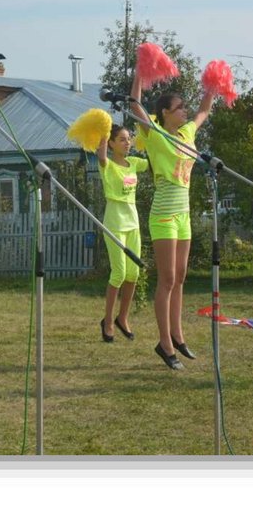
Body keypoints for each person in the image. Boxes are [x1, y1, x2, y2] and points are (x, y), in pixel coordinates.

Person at [129, 64, 215, 370]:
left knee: (180, 277)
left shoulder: (187, 133)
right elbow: (135, 104)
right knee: (166, 279)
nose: (185, 111)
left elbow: (204, 110)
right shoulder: (154, 135)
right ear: (165, 113)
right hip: (163, 214)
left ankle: (178, 336)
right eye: (180, 108)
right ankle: (164, 344)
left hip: (184, 215)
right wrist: (141, 72)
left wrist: (213, 84)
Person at [97, 124, 148, 344]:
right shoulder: (107, 165)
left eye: (129, 139)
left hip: (133, 224)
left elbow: (155, 160)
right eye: (122, 139)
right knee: (118, 273)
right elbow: (101, 155)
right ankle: (108, 321)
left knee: (133, 274)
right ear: (111, 143)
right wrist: (103, 129)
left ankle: (122, 318)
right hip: (114, 224)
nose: (127, 143)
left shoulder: (134, 163)